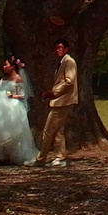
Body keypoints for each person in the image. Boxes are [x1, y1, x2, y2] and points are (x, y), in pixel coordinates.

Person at [0, 57, 39, 166]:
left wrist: (10, 95)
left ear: (12, 66)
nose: (4, 67)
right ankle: (2, 155)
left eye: (6, 65)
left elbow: (22, 95)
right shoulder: (3, 79)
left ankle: (14, 155)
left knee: (14, 132)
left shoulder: (18, 79)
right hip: (1, 109)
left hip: (13, 107)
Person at [37, 38, 77, 167]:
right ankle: (60, 157)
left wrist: (54, 93)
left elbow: (69, 81)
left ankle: (41, 158)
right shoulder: (62, 62)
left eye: (60, 47)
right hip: (60, 101)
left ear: (66, 49)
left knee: (48, 130)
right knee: (58, 130)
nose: (58, 50)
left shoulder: (69, 62)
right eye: (56, 48)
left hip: (62, 101)